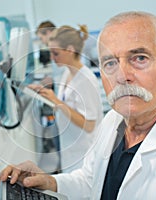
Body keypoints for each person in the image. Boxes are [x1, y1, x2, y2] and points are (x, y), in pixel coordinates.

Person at [0, 11, 156, 199]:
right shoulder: (113, 121)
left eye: (139, 58)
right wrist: (50, 181)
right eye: (110, 63)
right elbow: (91, 181)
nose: (122, 77)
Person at [30, 25, 104, 173]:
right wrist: (45, 94)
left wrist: (57, 101)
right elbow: (66, 107)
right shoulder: (67, 73)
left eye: (55, 53)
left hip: (84, 154)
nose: (51, 57)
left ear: (70, 50)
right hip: (70, 149)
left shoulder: (85, 79)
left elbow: (89, 125)